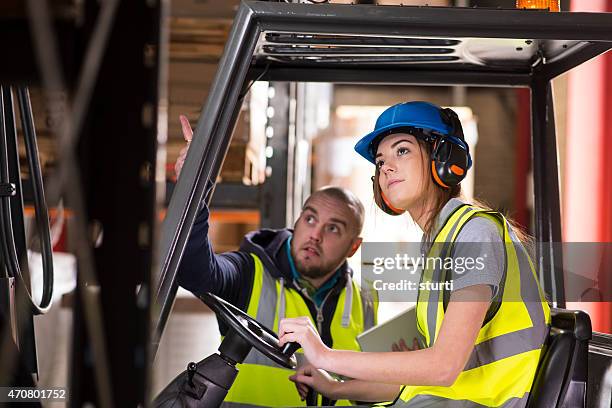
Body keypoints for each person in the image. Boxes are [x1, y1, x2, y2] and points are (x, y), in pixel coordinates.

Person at [278, 102, 551, 407]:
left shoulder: (475, 235)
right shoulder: (441, 243)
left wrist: (326, 355)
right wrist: (337, 389)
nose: (387, 167)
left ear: (444, 158)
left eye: (402, 151)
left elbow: (443, 367)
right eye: (380, 162)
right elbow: (422, 381)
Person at [174, 115, 378, 407]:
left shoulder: (365, 299)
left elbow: (369, 389)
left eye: (333, 228)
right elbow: (193, 271)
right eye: (310, 219)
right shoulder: (249, 273)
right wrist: (194, 190)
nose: (315, 235)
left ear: (353, 247)